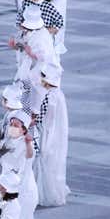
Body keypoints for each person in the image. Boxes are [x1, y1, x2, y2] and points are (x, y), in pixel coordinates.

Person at [34, 66, 68, 206]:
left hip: (46, 133)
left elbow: (46, 118)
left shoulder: (50, 97)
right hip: (53, 134)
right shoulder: (58, 94)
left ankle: (43, 192)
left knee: (43, 160)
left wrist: (33, 120)